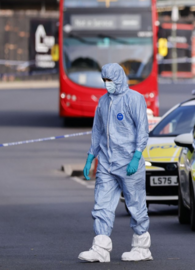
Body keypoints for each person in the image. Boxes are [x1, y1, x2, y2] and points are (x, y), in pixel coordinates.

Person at [78, 63, 152, 262]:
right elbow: (97, 131)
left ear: (119, 78)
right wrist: (90, 156)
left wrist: (136, 156)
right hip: (107, 163)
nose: (106, 84)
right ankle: (100, 248)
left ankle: (142, 247)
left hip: (129, 163)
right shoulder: (103, 102)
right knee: (101, 205)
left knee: (136, 205)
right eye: (104, 80)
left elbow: (142, 130)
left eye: (109, 80)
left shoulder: (135, 99)